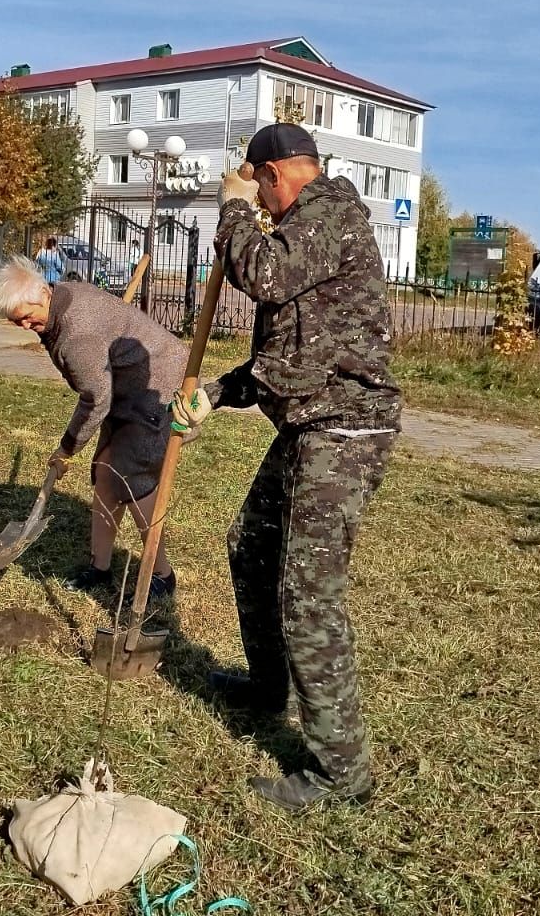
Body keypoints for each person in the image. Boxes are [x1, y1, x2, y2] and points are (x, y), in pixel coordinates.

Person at [169, 124, 401, 813]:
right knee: (251, 544)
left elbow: (263, 274)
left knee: (307, 593)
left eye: (260, 190)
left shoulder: (328, 213)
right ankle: (268, 689)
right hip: (310, 421)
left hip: (346, 429)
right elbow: (287, 361)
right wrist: (213, 394)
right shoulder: (306, 232)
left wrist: (232, 207)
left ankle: (342, 774)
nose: (260, 207)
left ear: (273, 174)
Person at [0, 255, 182, 599]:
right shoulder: (61, 296)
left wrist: (66, 447)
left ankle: (162, 573)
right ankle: (100, 566)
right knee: (106, 473)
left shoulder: (77, 334)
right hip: (125, 386)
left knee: (133, 476)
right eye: (15, 322)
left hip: (158, 386)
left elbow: (96, 399)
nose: (23, 327)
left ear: (42, 296)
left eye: (25, 318)